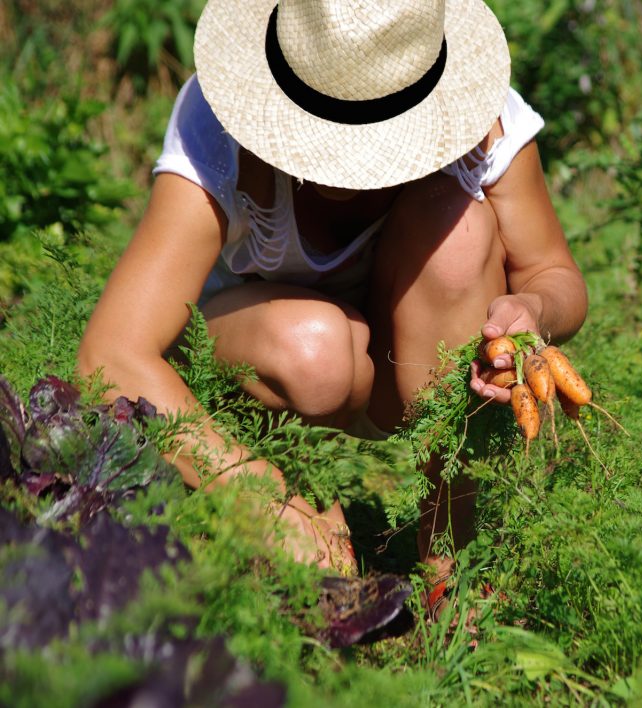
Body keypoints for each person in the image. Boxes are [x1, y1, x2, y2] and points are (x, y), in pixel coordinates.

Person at [77, 0, 587, 578]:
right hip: (261, 361)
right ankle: (286, 478)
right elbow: (110, 357)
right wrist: (255, 494)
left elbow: (555, 275)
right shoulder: (219, 127)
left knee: (461, 233)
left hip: (410, 374)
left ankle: (453, 558)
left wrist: (533, 308)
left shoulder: (484, 126)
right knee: (317, 348)